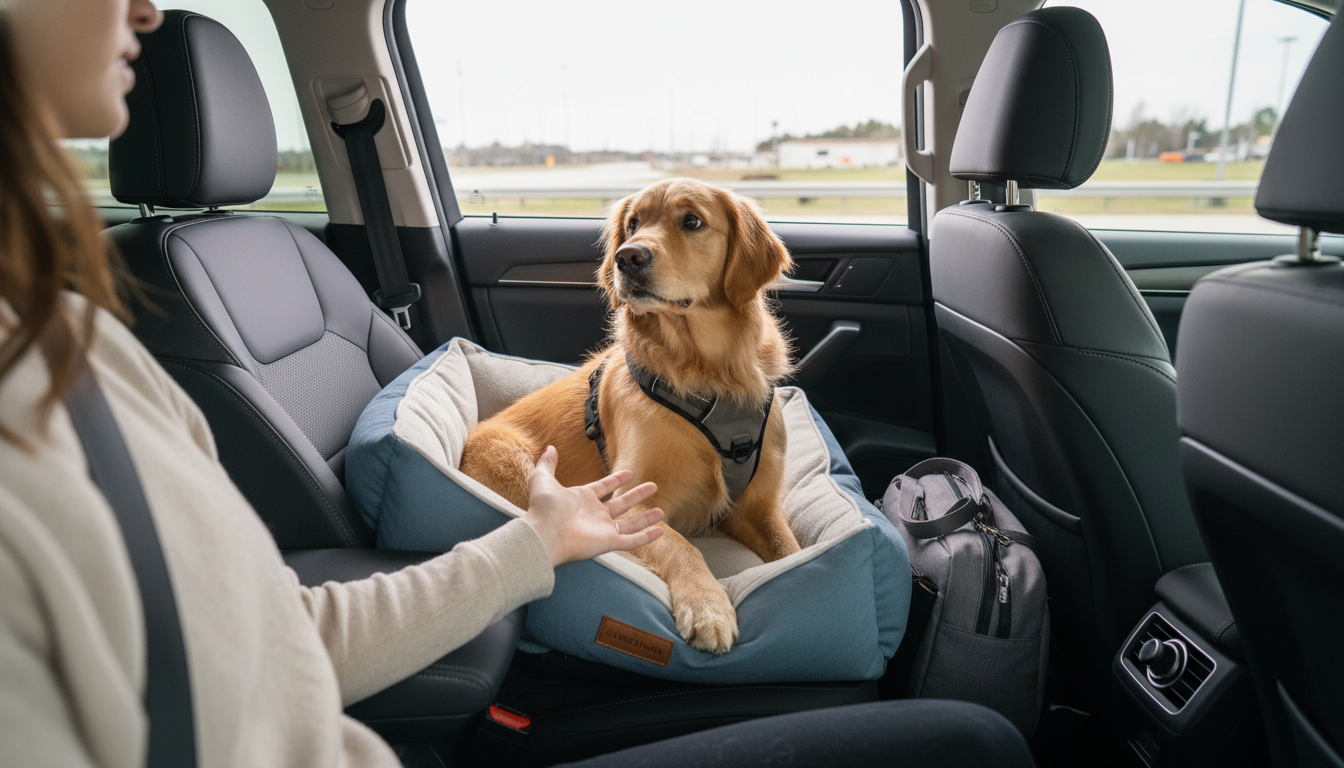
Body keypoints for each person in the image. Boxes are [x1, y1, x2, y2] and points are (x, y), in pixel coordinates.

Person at [0, 1, 1037, 767]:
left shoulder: (83, 347)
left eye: (678, 228)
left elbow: (285, 636)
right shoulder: (52, 389)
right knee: (977, 747)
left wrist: (534, 546)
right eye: (634, 230)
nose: (146, 8)